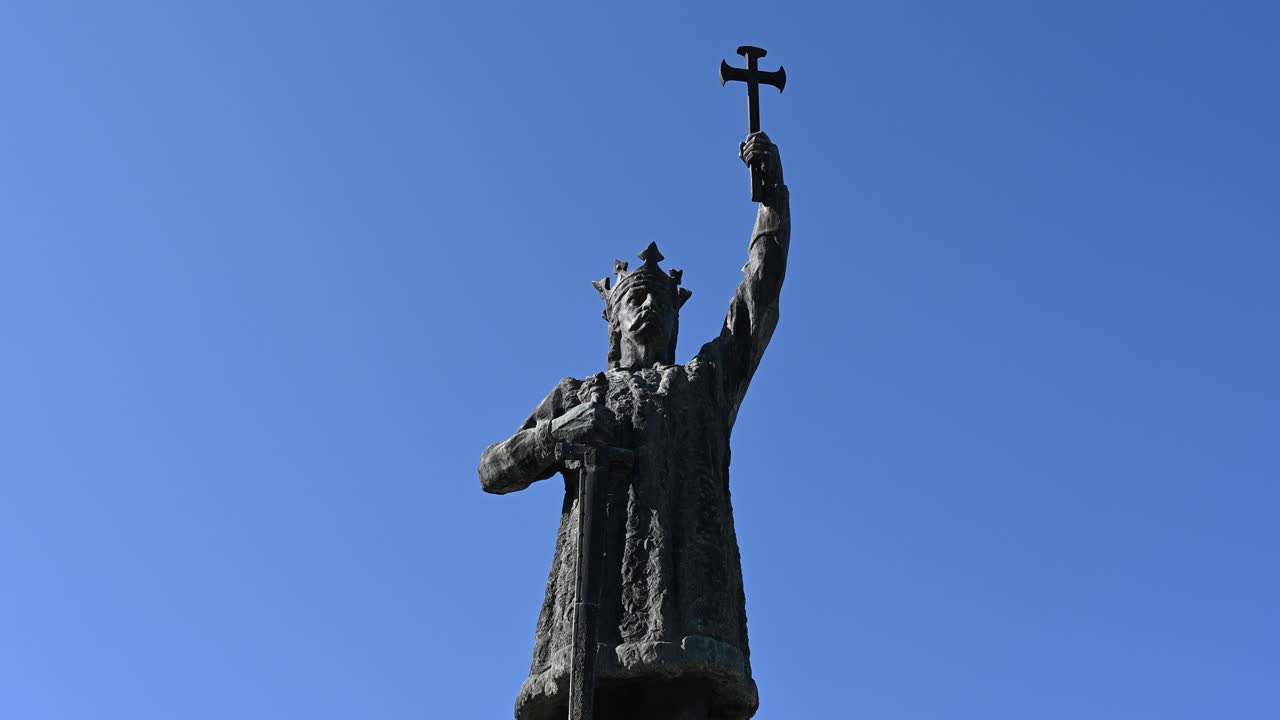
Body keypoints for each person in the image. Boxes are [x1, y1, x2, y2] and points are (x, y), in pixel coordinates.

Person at [479, 132, 789, 720]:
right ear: (614, 322)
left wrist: (773, 203)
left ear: (675, 320)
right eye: (636, 300)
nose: (648, 309)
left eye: (661, 303)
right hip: (589, 631)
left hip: (689, 625)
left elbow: (758, 297)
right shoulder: (577, 395)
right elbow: (491, 469)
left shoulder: (703, 383)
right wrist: (556, 435)